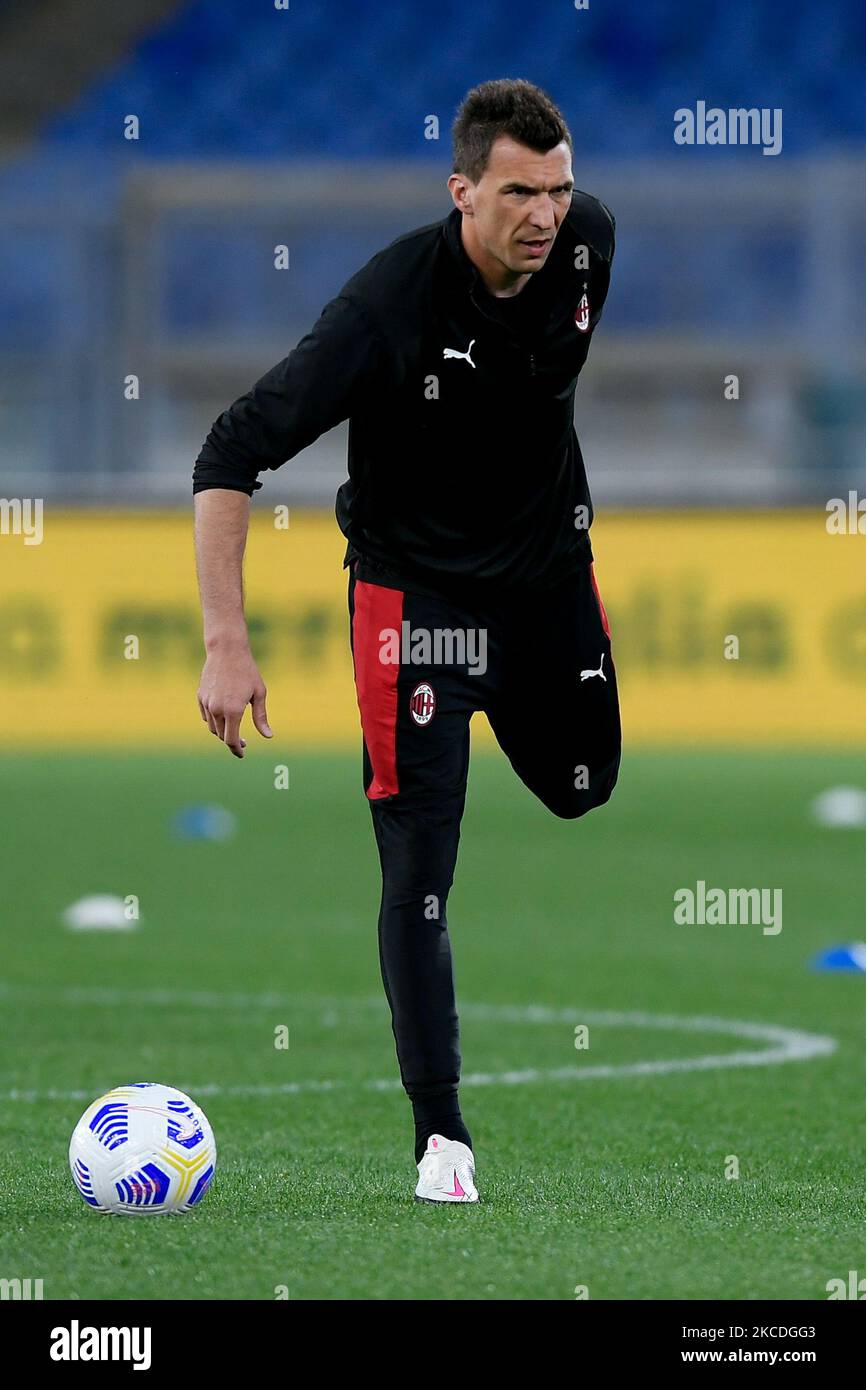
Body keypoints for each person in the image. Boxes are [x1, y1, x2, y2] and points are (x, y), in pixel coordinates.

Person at [193, 78, 621, 1204]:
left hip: (543, 589)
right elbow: (229, 451)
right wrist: (224, 641)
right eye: (518, 192)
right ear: (461, 192)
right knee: (419, 869)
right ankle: (441, 1136)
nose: (545, 215)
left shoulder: (588, 249)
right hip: (415, 612)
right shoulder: (387, 308)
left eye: (559, 189)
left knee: (586, 785)